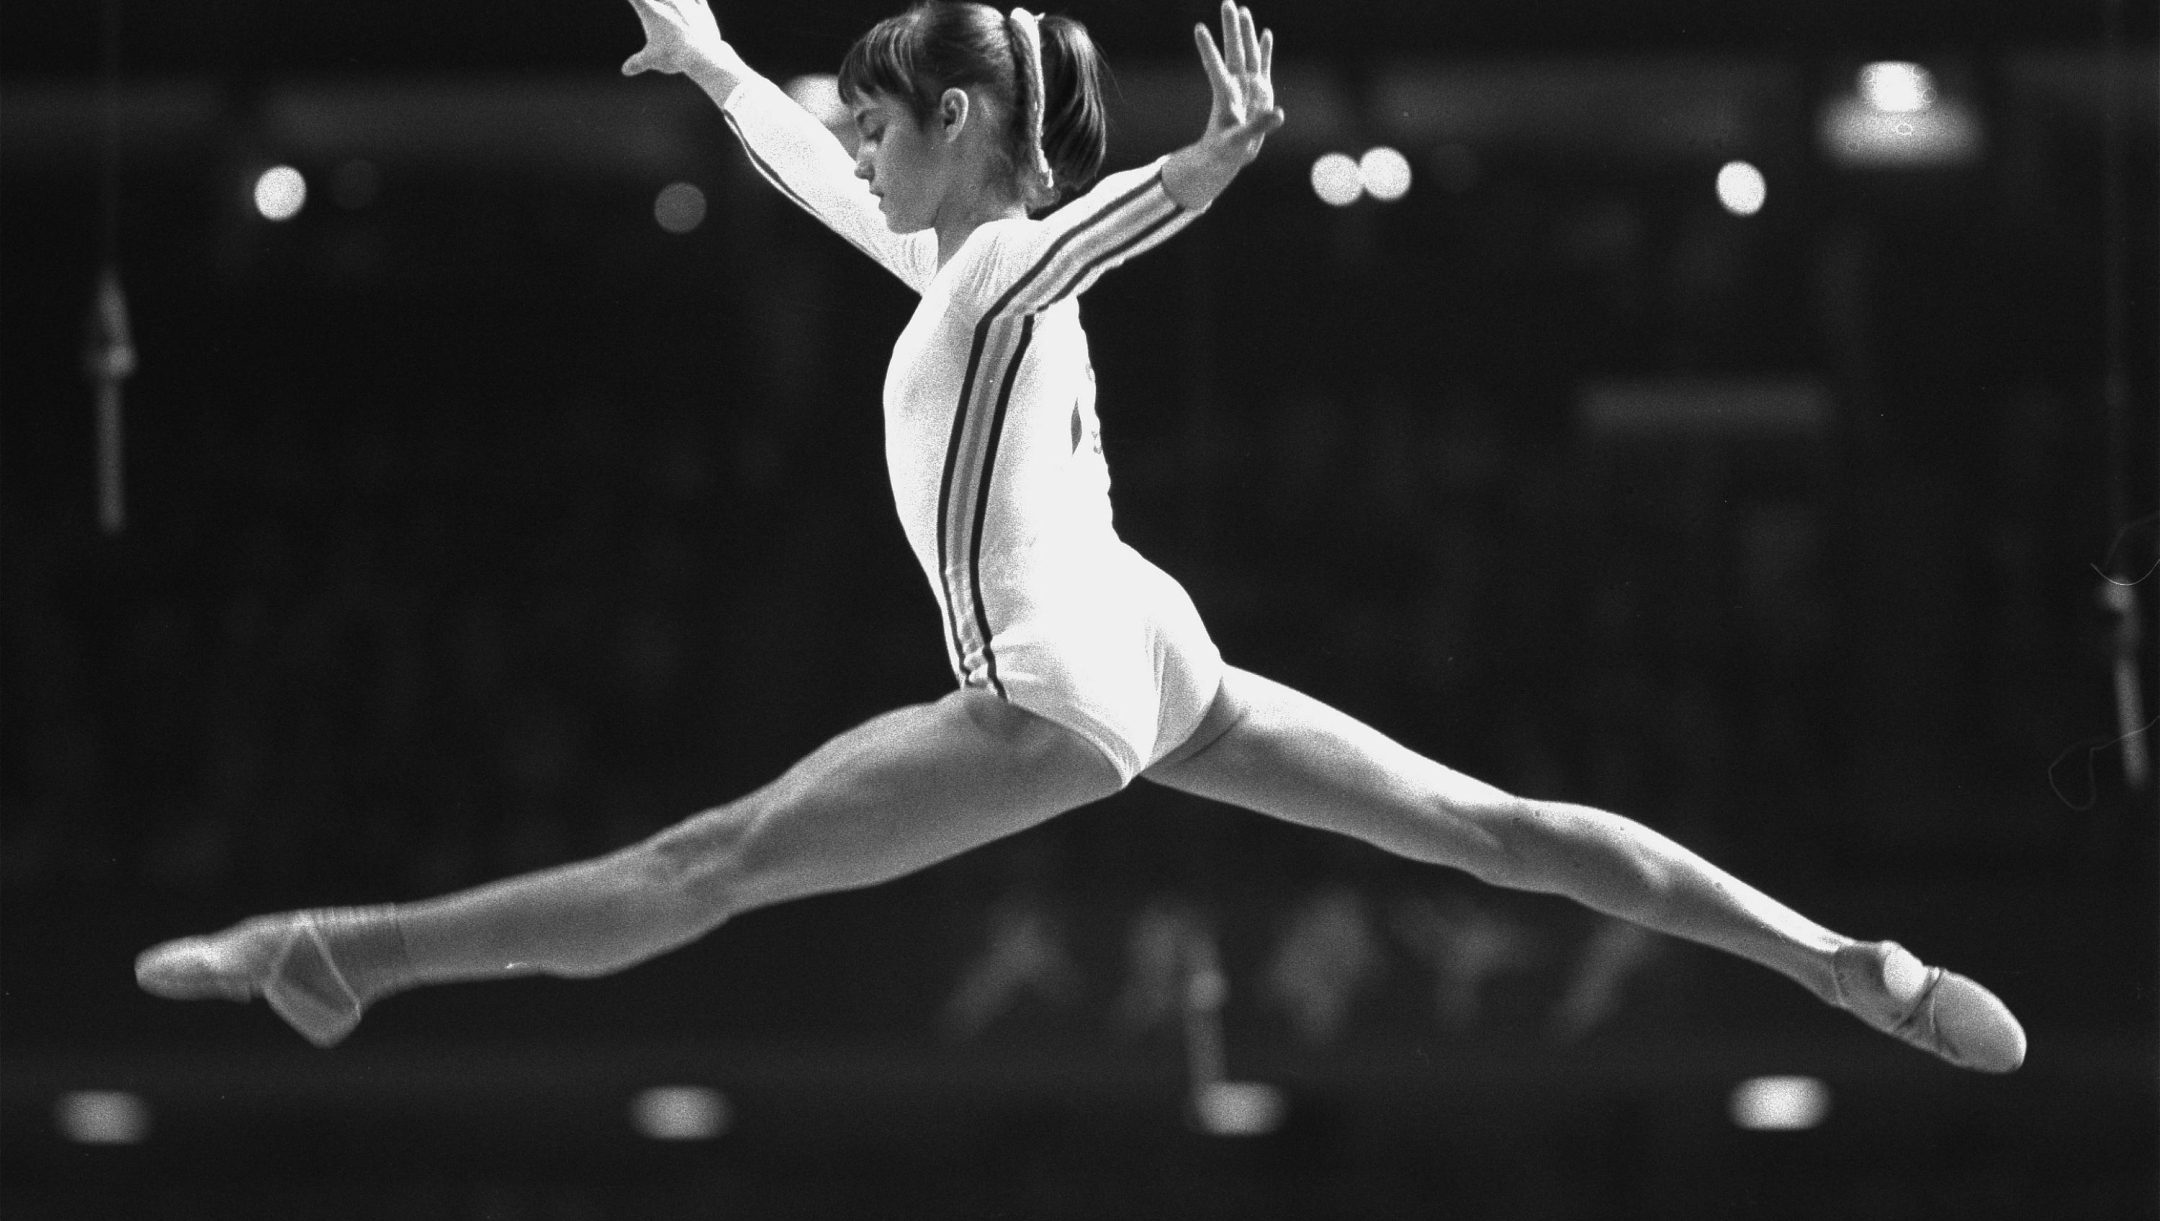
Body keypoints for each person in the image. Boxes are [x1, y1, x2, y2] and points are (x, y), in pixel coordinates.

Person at [136, 0, 2026, 1073]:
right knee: (1493, 833)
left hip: (1057, 683)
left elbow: (1084, 229)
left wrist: (1202, 172)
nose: (856, 146)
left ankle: (352, 951)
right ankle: (1834, 957)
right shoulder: (954, 264)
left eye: (879, 121)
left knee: (706, 861)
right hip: (1146, 630)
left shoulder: (1010, 270)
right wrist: (717, 69)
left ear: (960, 125)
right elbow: (823, 188)